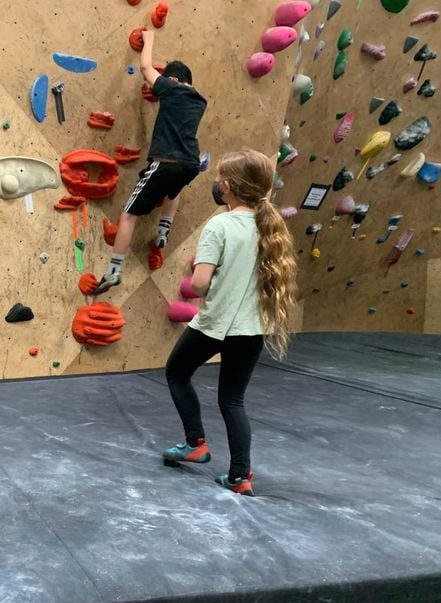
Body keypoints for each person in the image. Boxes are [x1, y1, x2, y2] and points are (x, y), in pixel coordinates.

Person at [161, 150, 297, 497]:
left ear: (230, 186)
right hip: (251, 330)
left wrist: (201, 274)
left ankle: (195, 443)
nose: (217, 184)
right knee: (232, 400)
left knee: (177, 372)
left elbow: (199, 284)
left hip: (214, 324)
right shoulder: (270, 227)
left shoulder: (220, 225)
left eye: (221, 179)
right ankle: (240, 476)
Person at [96, 29, 207, 293]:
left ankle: (113, 271)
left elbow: (146, 68)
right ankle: (163, 230)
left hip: (164, 163)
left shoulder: (172, 87)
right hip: (190, 164)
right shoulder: (199, 101)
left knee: (129, 215)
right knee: (174, 189)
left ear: (173, 79)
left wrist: (149, 39)